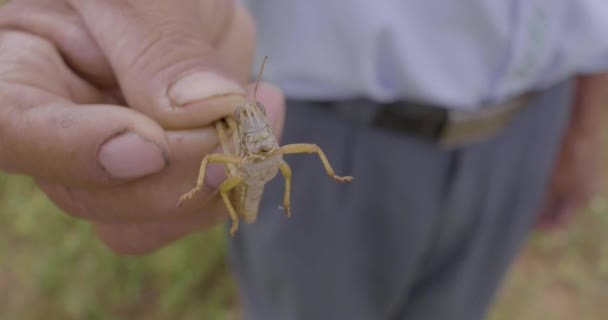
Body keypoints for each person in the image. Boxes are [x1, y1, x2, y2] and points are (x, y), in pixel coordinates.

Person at [0, 0, 605, 319]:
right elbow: (232, 145)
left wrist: (587, 123)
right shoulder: (252, 117)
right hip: (331, 114)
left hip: (532, 118)